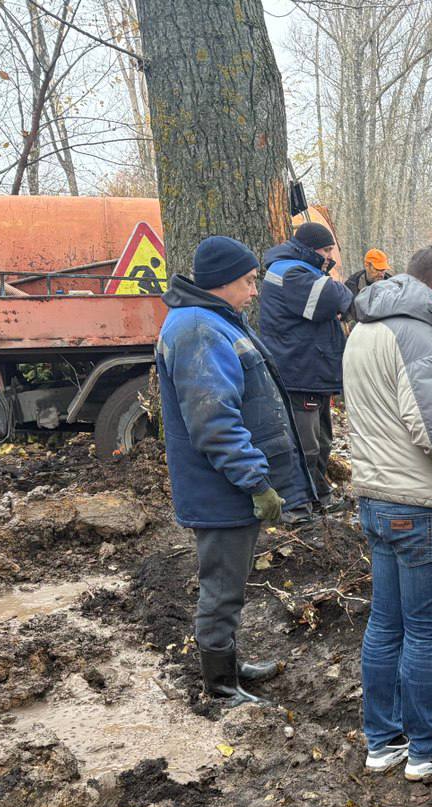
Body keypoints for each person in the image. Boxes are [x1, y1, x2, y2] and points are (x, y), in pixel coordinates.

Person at [342, 244, 432, 781]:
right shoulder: (418, 334)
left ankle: (384, 742)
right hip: (425, 506)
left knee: (386, 625)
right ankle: (430, 748)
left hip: (379, 501)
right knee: (428, 631)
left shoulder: (365, 326)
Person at [155, 236, 317, 706]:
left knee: (230, 582)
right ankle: (221, 686)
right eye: (248, 281)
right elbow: (215, 423)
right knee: (222, 587)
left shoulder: (211, 321)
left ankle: (228, 662)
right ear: (224, 281)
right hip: (220, 490)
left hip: (225, 487)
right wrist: (256, 482)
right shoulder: (199, 330)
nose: (254, 290)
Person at [258, 221, 354, 512]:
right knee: (305, 445)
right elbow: (335, 297)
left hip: (311, 373)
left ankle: (318, 498)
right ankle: (298, 506)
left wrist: (337, 294)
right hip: (299, 373)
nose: (329, 257)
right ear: (310, 248)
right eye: (326, 250)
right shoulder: (291, 272)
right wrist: (338, 294)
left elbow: (337, 296)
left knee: (321, 441)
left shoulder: (297, 269)